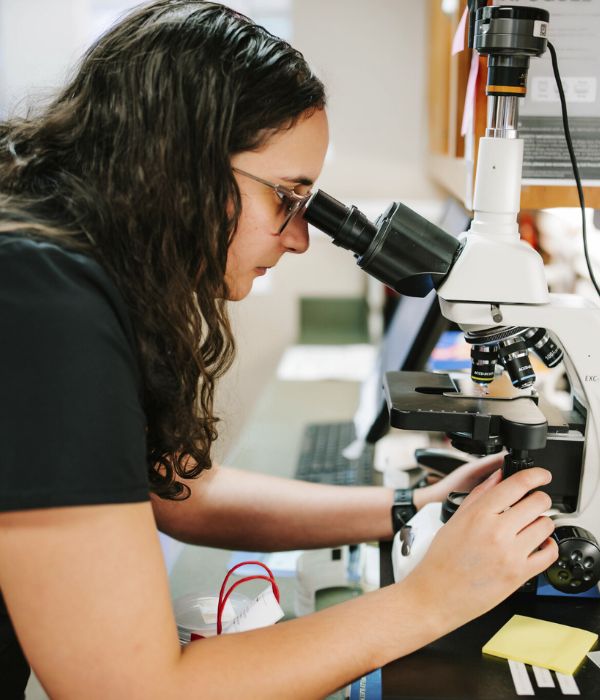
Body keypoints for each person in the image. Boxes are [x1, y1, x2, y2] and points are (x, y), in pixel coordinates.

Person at [0, 2, 558, 698]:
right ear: (180, 166)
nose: (298, 239)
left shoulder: (72, 265)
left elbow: (180, 491)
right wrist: (433, 600)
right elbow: (131, 689)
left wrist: (409, 506)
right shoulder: (44, 305)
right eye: (288, 199)